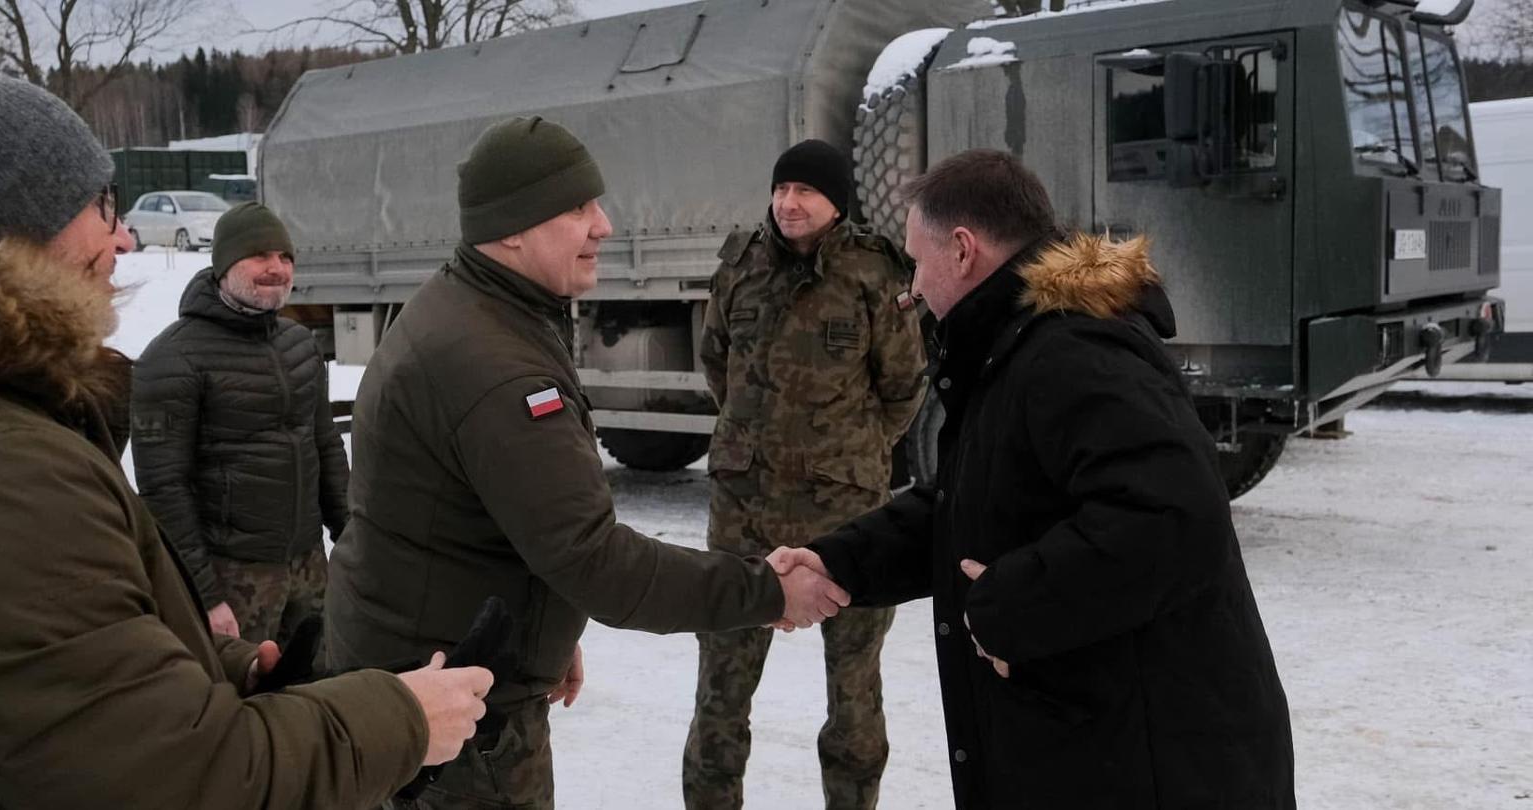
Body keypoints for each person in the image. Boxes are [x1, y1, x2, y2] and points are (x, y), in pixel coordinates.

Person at [0, 62, 489, 810]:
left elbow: (48, 700)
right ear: (14, 224)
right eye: (101, 206)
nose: (125, 237)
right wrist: (401, 720)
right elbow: (178, 781)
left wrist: (214, 673)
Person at [323, 116, 852, 809]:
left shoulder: (479, 309)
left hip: (446, 673)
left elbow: (502, 521)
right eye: (578, 208)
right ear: (514, 227)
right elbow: (594, 560)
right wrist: (768, 591)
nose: (603, 225)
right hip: (451, 720)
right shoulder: (493, 365)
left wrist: (542, 630)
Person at [771, 149, 1295, 809]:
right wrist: (838, 561)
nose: (910, 288)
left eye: (916, 261)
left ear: (962, 251)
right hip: (1101, 756)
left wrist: (1006, 610)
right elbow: (976, 499)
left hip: (1160, 770)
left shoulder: (1073, 350)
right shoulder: (1017, 346)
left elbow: (1173, 515)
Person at [685, 139, 928, 810]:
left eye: (806, 192)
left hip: (847, 517)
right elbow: (717, 365)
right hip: (745, 516)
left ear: (834, 203)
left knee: (854, 700)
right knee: (720, 698)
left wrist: (853, 451)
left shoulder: (874, 274)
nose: (789, 203)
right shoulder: (740, 267)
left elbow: (903, 387)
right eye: (781, 189)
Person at [133, 202, 345, 649]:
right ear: (224, 264)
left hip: (308, 566)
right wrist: (203, 595)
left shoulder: (300, 345)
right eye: (259, 255)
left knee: (317, 695)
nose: (276, 269)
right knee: (243, 704)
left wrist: (350, 538)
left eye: (285, 258)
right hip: (231, 578)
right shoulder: (173, 359)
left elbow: (324, 445)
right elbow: (163, 488)